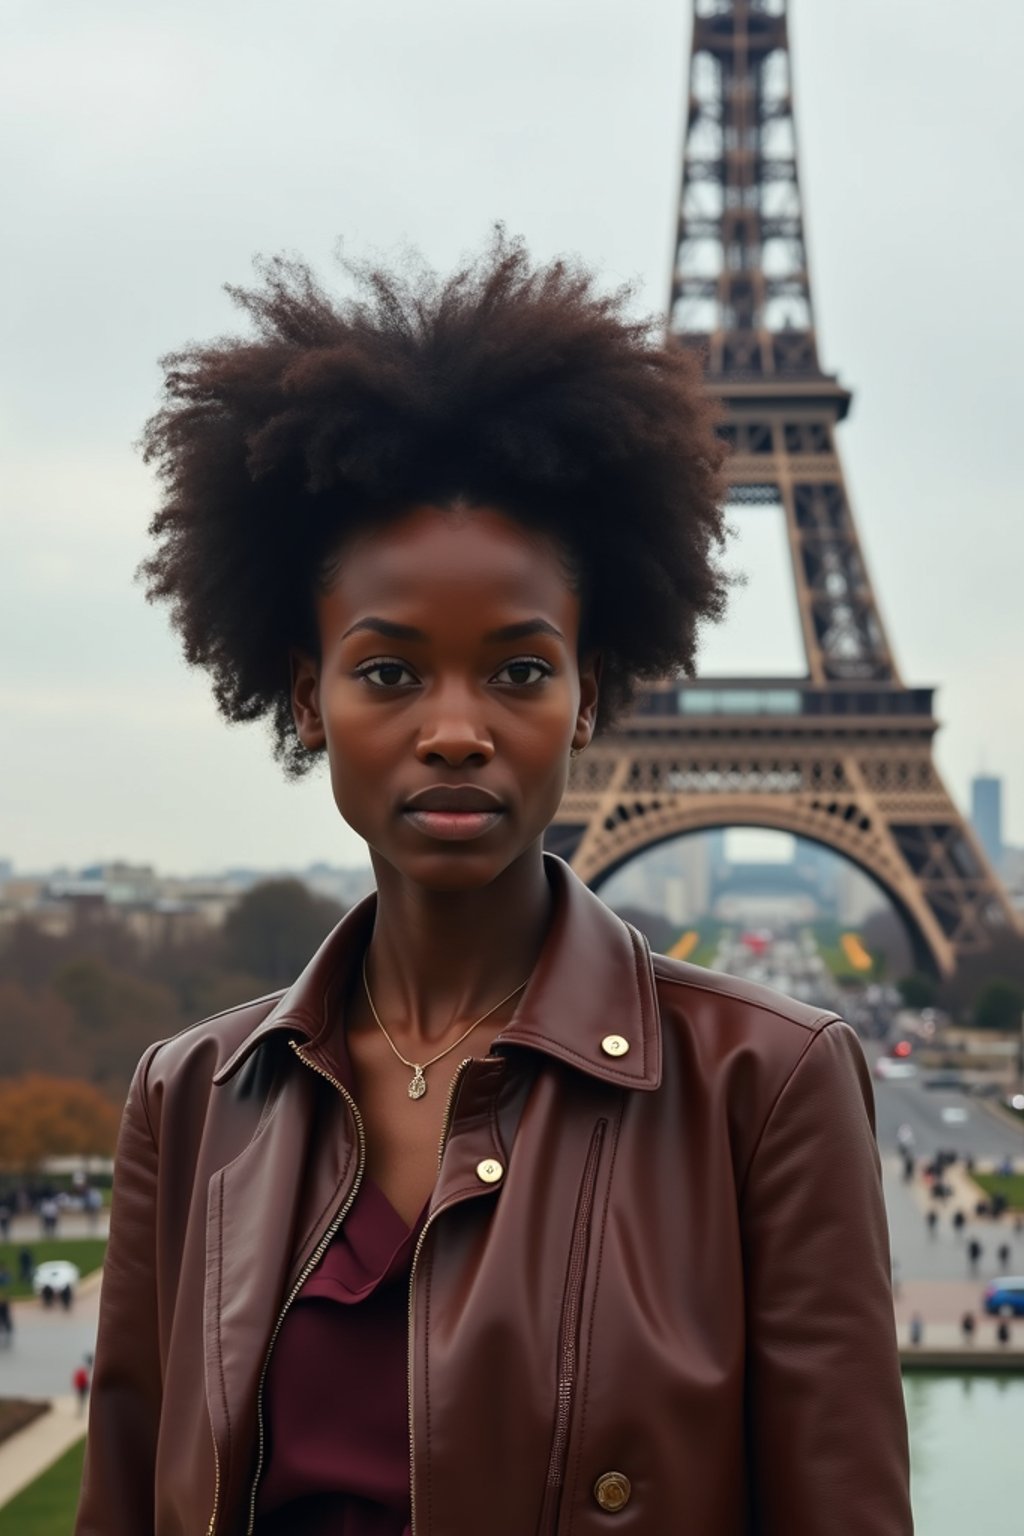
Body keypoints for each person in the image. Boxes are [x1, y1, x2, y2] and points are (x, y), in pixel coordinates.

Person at [75, 238, 912, 1535]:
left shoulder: (771, 1088)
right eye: (391, 672)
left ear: (594, 699)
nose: (456, 728)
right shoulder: (184, 1100)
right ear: (308, 699)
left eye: (519, 672)